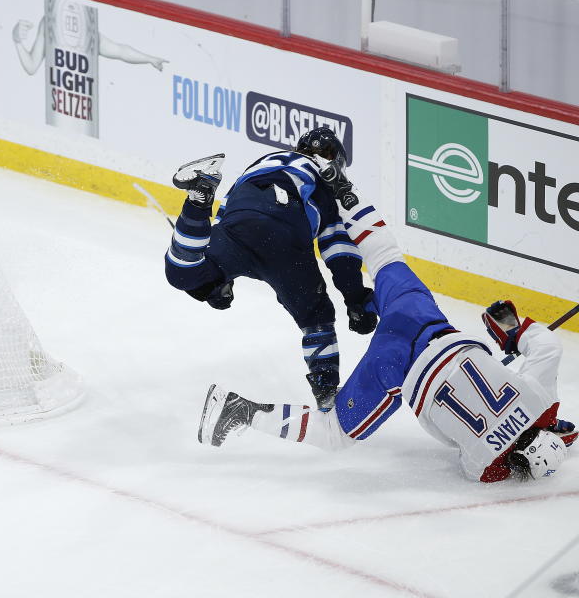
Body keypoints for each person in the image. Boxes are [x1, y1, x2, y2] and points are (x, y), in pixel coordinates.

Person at [197, 160, 576, 482]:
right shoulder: (485, 468)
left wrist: (514, 335)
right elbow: (471, 448)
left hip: (423, 320)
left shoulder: (540, 400)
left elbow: (546, 347)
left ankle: (344, 189)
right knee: (334, 433)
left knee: (385, 255)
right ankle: (238, 411)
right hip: (395, 365)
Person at [165, 127, 377, 410]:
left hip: (240, 224)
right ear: (332, 158)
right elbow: (339, 250)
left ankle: (197, 201)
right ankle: (327, 398)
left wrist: (215, 282)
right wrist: (355, 299)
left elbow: (227, 214)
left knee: (185, 273)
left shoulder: (265, 161)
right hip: (284, 236)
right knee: (316, 316)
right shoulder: (328, 184)